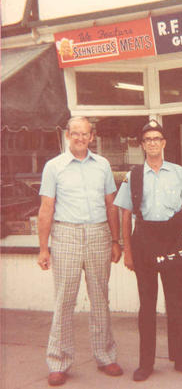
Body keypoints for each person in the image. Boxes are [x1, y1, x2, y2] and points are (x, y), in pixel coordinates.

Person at [38, 116, 123, 386]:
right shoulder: (54, 167)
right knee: (64, 299)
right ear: (67, 135)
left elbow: (111, 204)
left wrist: (115, 240)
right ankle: (58, 361)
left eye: (84, 134)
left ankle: (105, 356)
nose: (79, 138)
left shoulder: (103, 165)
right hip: (66, 235)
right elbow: (46, 208)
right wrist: (43, 248)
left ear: (92, 137)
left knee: (101, 297)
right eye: (75, 133)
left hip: (99, 233)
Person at [114, 119, 182, 382]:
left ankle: (181, 358)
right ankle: (146, 363)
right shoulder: (133, 176)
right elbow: (126, 215)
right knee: (147, 305)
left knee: (175, 302)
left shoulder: (178, 172)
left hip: (173, 240)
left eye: (156, 139)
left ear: (164, 143)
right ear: (142, 145)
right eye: (147, 139)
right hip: (145, 241)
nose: (152, 143)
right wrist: (127, 251)